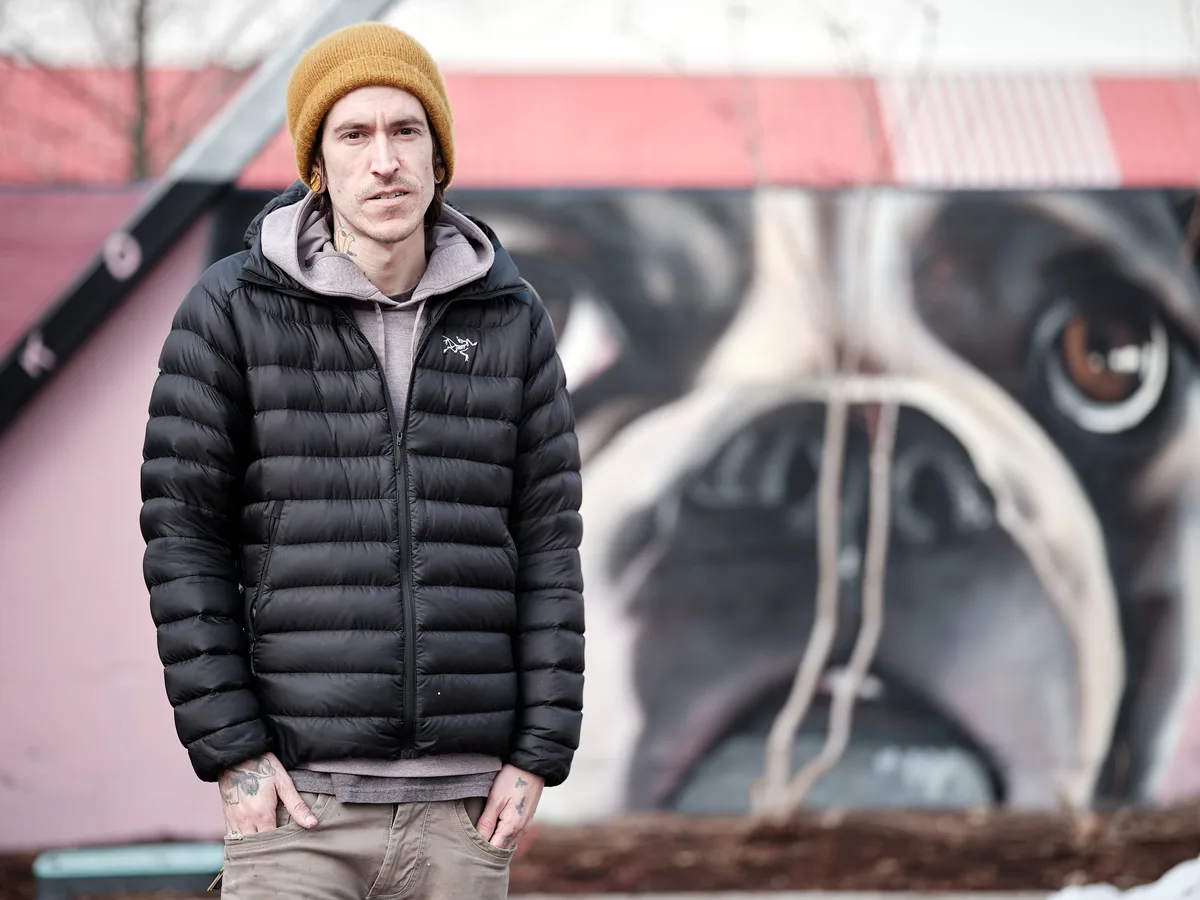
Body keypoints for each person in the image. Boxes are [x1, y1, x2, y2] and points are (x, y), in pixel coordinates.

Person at [139, 22, 584, 900]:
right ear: (319, 165)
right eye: (355, 134)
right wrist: (234, 754)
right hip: (299, 806)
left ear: (436, 154)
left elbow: (549, 544)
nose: (384, 159)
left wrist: (538, 753)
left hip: (463, 816)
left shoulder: (511, 316)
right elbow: (182, 541)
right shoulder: (230, 311)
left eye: (405, 131)